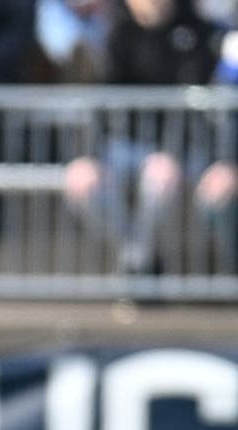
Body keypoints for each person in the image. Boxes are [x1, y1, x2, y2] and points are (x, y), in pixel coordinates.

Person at [62, 0, 223, 274]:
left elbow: (197, 101)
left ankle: (139, 263)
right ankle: (138, 256)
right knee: (81, 180)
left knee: (160, 175)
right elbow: (96, 102)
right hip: (121, 144)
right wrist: (86, 155)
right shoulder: (112, 32)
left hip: (181, 147)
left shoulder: (199, 32)